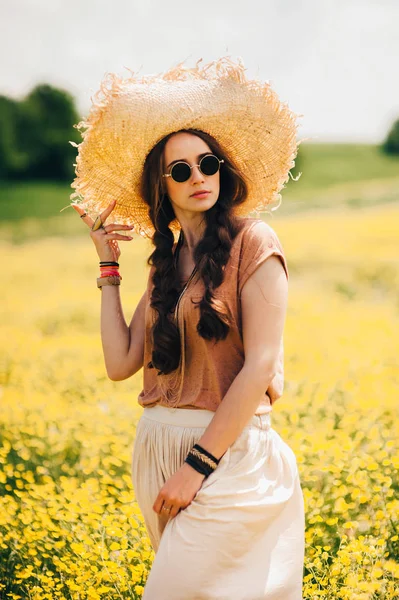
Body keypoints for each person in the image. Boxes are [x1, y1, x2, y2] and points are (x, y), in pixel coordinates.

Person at [71, 56, 306, 600]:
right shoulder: (165, 261)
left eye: (207, 163)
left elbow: (261, 366)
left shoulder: (255, 244)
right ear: (163, 187)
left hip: (226, 459)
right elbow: (120, 365)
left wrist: (197, 467)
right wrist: (109, 270)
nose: (198, 176)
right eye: (180, 170)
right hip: (157, 452)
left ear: (222, 169)